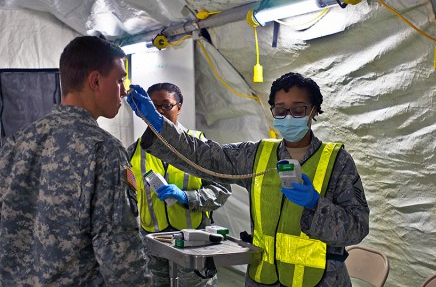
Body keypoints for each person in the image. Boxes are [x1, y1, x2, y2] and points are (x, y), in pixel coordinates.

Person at [127, 72, 370, 287]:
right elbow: (206, 156)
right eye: (280, 109)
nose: (288, 116)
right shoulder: (256, 155)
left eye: (298, 110)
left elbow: (357, 228)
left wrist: (316, 206)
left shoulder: (336, 161)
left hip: (321, 280)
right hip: (263, 277)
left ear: (314, 110)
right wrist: (159, 125)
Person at [0, 36, 152, 286]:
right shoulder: (104, 150)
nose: (124, 90)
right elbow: (122, 261)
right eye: (119, 79)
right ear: (95, 81)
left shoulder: (16, 143)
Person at [127, 82, 231, 287]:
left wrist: (187, 197)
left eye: (166, 106)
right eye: (153, 106)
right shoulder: (134, 150)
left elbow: (221, 190)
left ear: (180, 107)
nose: (159, 112)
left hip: (194, 240)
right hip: (152, 243)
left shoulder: (199, 145)